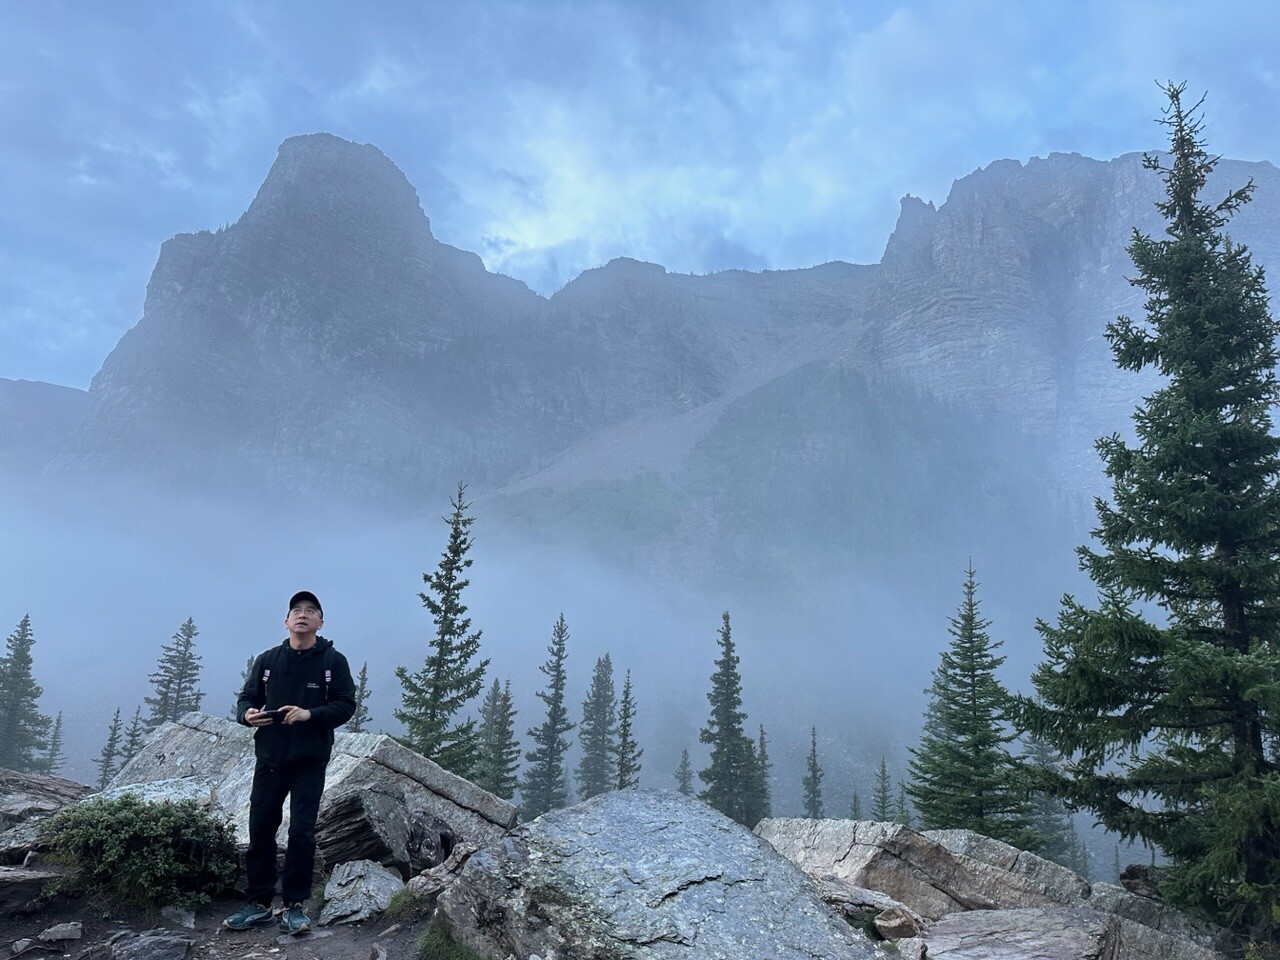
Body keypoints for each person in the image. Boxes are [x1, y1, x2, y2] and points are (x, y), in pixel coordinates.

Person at [224, 590, 356, 936]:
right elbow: (247, 698)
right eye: (296, 610)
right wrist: (246, 715)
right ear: (286, 621)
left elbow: (346, 706)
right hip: (269, 758)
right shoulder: (268, 661)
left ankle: (294, 906)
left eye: (311, 611)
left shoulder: (333, 662)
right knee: (261, 831)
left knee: (301, 833)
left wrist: (310, 714)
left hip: (310, 760)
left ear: (320, 622)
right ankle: (259, 904)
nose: (303, 615)